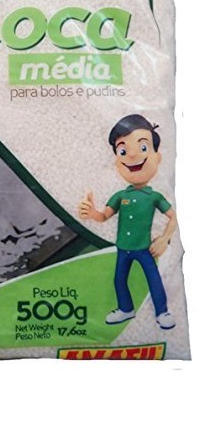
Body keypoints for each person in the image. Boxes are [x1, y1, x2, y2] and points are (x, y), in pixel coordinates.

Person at [78, 114, 178, 330]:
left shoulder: (154, 197)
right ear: (116, 159)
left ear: (157, 156)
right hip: (123, 248)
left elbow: (173, 216)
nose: (132, 155)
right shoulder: (120, 196)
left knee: (153, 279)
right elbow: (104, 216)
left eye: (143, 148)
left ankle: (162, 311)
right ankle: (126, 309)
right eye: (122, 151)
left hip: (144, 249)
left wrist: (164, 238)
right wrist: (92, 213)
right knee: (119, 279)